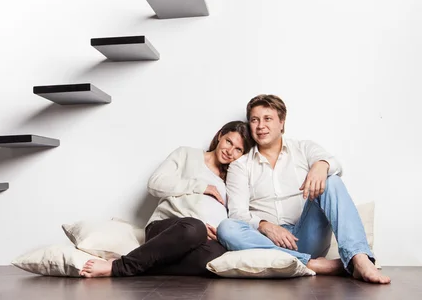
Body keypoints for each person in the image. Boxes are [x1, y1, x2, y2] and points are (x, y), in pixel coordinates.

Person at [217, 94, 390, 284]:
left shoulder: (303, 148)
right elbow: (237, 214)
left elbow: (336, 165)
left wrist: (321, 165)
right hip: (266, 243)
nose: (260, 126)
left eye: (268, 119)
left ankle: (359, 258)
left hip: (307, 236)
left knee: (331, 181)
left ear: (282, 122)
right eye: (254, 120)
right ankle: (314, 265)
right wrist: (265, 226)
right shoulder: (240, 166)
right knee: (227, 227)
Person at [80, 120, 254, 278]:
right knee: (194, 227)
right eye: (228, 142)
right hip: (168, 228)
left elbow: (234, 212)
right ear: (220, 136)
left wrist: (218, 231)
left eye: (238, 149)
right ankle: (120, 267)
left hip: (202, 239)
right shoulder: (187, 154)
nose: (230, 151)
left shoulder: (231, 178)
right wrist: (201, 187)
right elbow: (155, 183)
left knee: (215, 255)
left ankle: (143, 264)